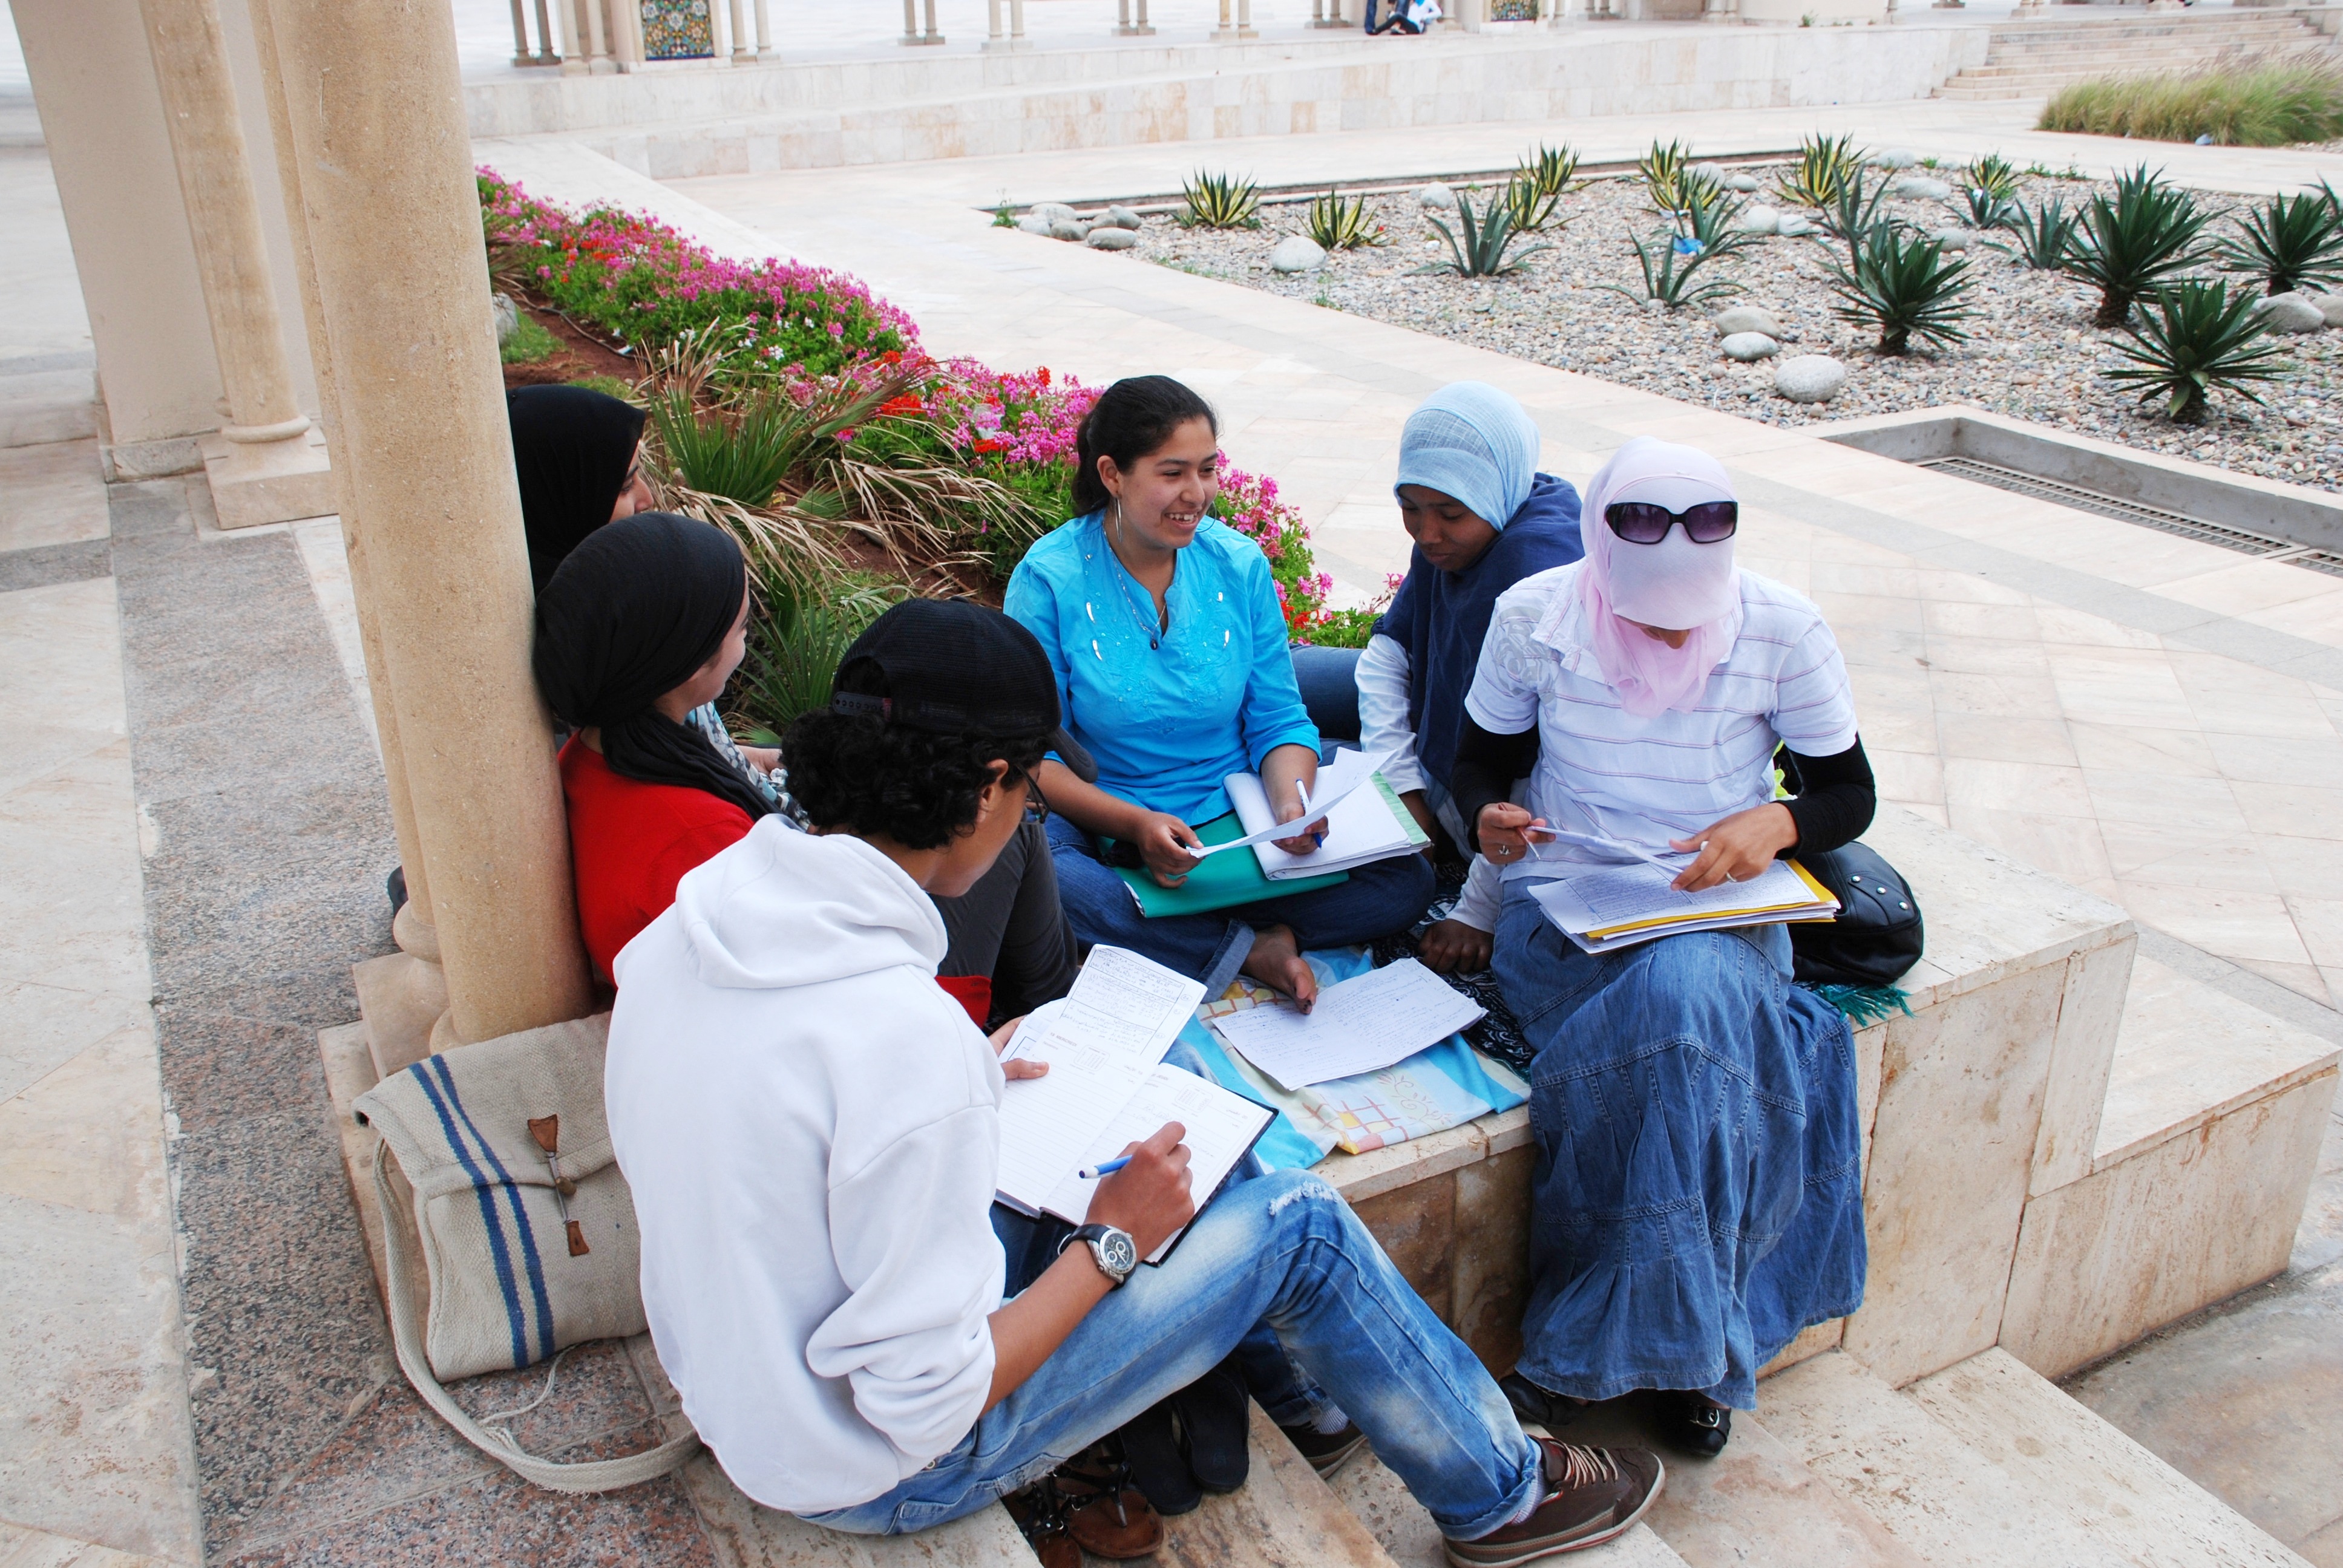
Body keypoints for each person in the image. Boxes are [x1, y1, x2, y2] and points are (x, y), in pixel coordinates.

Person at [603, 596, 1664, 1561]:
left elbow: (797, 1127)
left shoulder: (701, 916)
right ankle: (1503, 1497)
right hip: (875, 1467)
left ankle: (1322, 1406)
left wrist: (971, 1071)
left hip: (749, 1384)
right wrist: (1113, 1243)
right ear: (986, 791)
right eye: (1027, 790)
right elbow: (926, 1409)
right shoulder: (898, 1039)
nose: (1026, 817)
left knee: (1188, 1142)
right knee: (1295, 1219)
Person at [1448, 437, 1872, 1459]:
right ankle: (1699, 1348)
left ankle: (1597, 1348)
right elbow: (1479, 765)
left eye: (1686, 610)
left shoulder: (1780, 626)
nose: (1661, 631)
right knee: (1681, 1027)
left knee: (1684, 1006)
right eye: (1641, 610)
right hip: (1571, 917)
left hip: (1721, 915)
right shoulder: (1533, 619)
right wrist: (1490, 823)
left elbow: (1844, 793)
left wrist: (1771, 825)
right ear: (1599, 553)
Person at [531, 512, 1078, 1021]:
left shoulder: (600, 751)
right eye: (740, 626)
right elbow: (817, 1013)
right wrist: (968, 1048)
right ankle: (1052, 1023)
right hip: (874, 1013)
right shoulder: (705, 845)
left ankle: (1050, 1006)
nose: (748, 636)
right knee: (1016, 835)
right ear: (685, 658)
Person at [1004, 376, 1434, 1010]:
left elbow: (1278, 717)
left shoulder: (1236, 565)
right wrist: (1136, 823)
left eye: (1207, 470)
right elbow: (1036, 760)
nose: (1196, 494)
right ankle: (1250, 947)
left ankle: (1201, 941)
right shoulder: (1049, 580)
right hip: (1110, 823)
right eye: (1172, 472)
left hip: (1237, 826)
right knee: (1051, 880)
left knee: (1406, 880)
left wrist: (1290, 809)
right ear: (1111, 474)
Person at [1356, 382, 1584, 976]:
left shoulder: (1538, 570)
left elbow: (1536, 771)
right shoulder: (1464, 531)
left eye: (1449, 514)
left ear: (1493, 492)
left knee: (1313, 766)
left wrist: (1476, 910)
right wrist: (1399, 785)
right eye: (1410, 507)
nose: (1426, 533)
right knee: (1285, 691)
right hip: (1440, 729)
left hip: (1496, 784)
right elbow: (1386, 654)